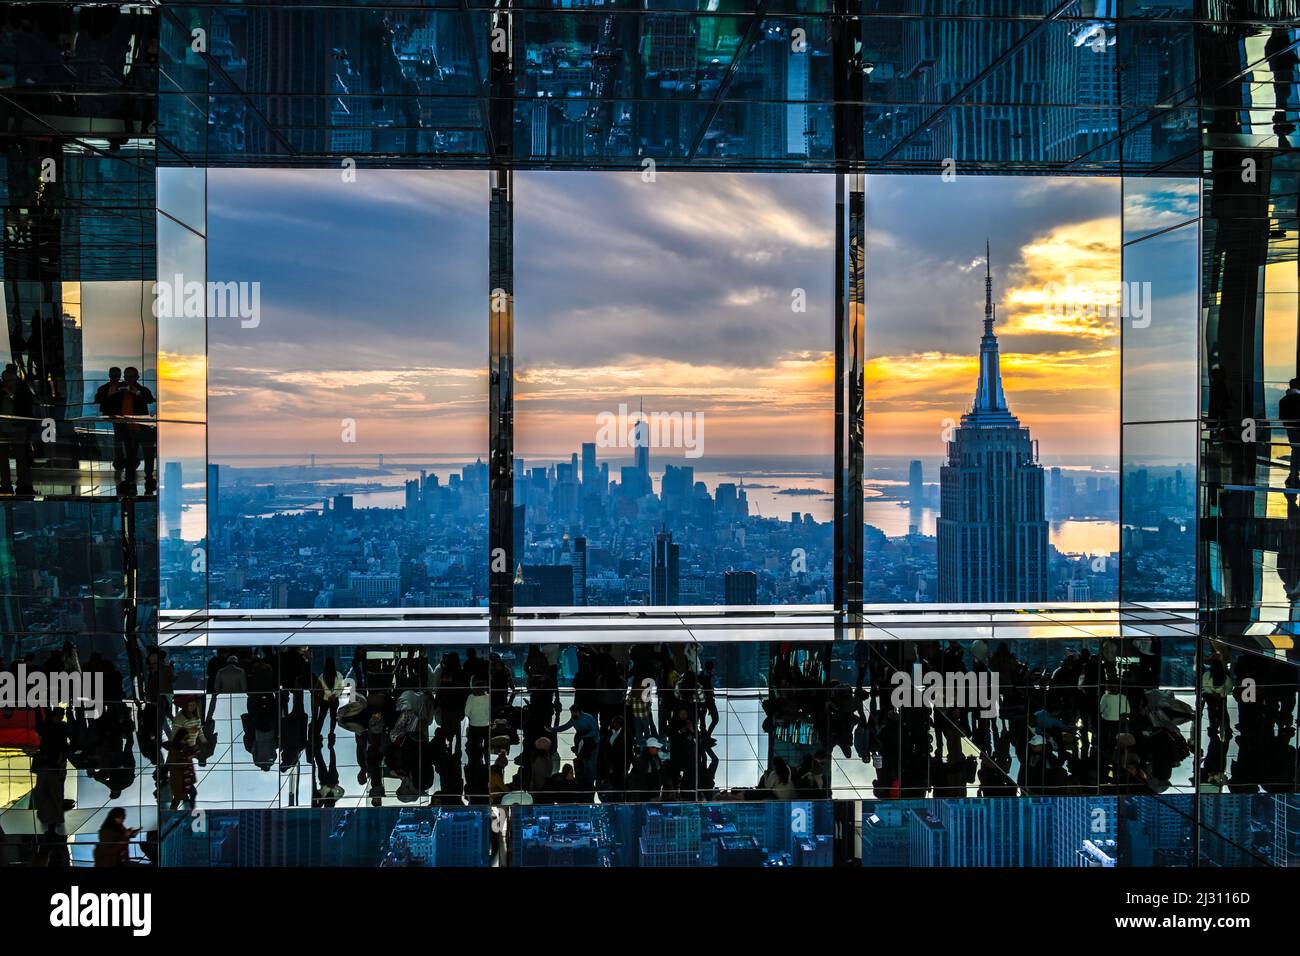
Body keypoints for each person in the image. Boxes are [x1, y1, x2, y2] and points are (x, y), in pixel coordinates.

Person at [106, 365, 155, 492]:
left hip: (142, 428)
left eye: (130, 376)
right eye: (126, 376)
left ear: (137, 377)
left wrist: (136, 392)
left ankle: (148, 478)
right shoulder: (120, 391)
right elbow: (103, 399)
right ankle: (131, 481)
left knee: (147, 454)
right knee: (131, 455)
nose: (127, 379)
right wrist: (111, 391)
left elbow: (150, 399)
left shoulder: (141, 390)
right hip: (128, 429)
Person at [0, 365, 36, 496]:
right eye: (5, 380)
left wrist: (10, 394)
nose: (6, 383)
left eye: (9, 380)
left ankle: (21, 483)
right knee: (3, 456)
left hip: (18, 427)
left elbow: (25, 407)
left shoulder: (22, 390)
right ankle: (6, 483)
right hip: (4, 426)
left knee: (20, 455)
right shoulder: (4, 390)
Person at [312, 657, 344, 740]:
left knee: (322, 717)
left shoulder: (322, 676)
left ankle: (317, 733)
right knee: (333, 716)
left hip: (325, 700)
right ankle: (331, 733)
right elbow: (341, 688)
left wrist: (327, 697)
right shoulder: (339, 675)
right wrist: (334, 695)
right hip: (334, 700)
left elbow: (320, 690)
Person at [1281, 376, 1300, 486]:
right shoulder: (1299, 399)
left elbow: (1282, 417)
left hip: (1291, 430)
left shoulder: (1283, 400)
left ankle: (1293, 475)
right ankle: (1293, 475)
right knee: (1297, 452)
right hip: (1298, 429)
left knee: (1295, 451)